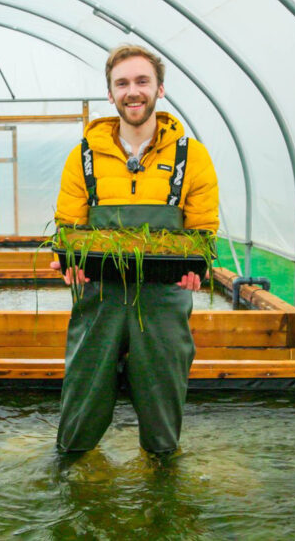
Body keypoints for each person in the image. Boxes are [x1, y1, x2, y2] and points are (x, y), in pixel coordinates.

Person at [51, 44, 219, 454]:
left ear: (160, 89)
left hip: (163, 299)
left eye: (142, 81)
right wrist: (66, 261)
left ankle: (161, 485)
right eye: (122, 83)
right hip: (100, 297)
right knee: (83, 392)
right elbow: (68, 228)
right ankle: (72, 472)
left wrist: (200, 264)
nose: (133, 91)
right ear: (110, 94)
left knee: (163, 400)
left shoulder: (190, 156)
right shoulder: (84, 157)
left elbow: (202, 229)